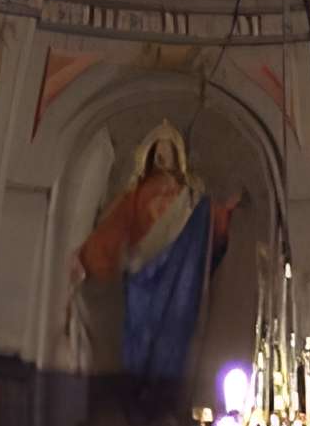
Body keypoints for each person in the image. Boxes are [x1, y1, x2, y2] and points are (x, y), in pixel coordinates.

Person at [74, 123, 238, 382]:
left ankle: (164, 388)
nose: (163, 156)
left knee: (173, 335)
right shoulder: (135, 194)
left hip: (176, 274)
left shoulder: (187, 195)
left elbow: (201, 225)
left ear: (177, 155)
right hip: (141, 276)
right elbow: (114, 228)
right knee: (139, 335)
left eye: (168, 151)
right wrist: (88, 256)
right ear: (150, 153)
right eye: (158, 150)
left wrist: (221, 213)